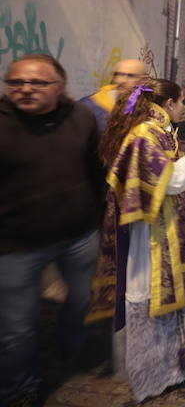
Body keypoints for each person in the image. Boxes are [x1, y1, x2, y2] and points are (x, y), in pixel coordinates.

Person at [87, 78, 185, 403]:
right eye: (181, 102)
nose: (184, 107)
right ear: (168, 104)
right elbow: (165, 180)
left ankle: (174, 365)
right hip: (150, 236)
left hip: (165, 225)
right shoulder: (144, 134)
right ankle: (155, 372)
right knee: (150, 293)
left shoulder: (158, 130)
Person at [0, 55, 105, 407]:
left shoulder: (81, 117)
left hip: (78, 235)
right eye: (16, 82)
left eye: (37, 83)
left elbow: (94, 168)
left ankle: (70, 344)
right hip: (16, 244)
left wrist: (101, 213)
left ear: (59, 87)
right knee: (17, 327)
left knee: (82, 300)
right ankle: (19, 388)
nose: (25, 89)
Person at [79, 58, 149, 132]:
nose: (121, 80)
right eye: (117, 74)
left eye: (130, 76)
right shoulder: (90, 107)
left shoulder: (148, 108)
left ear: (144, 81)